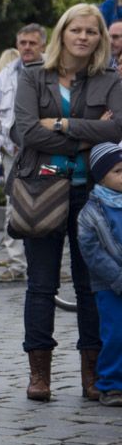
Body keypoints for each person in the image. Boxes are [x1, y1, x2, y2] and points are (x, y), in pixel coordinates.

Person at [12, 3, 122, 403]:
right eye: (76, 30)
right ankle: (39, 374)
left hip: (91, 194)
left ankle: (92, 375)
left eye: (91, 32)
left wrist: (59, 124)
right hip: (39, 189)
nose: (83, 37)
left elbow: (118, 127)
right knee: (41, 285)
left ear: (99, 39)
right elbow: (24, 132)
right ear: (62, 33)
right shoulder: (32, 75)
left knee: (90, 286)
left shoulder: (109, 78)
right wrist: (88, 135)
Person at [0, 25, 47, 283]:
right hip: (15, 153)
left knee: (51, 204)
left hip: (48, 151)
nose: (27, 47)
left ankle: (46, 261)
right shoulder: (6, 75)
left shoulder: (54, 71)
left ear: (42, 44)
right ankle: (17, 264)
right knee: (14, 206)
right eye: (23, 42)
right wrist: (3, 145)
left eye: (32, 43)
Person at [77, 142, 122, 407]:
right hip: (109, 285)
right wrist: (117, 278)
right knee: (115, 334)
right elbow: (92, 251)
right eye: (118, 171)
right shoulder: (91, 213)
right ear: (101, 176)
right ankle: (111, 384)